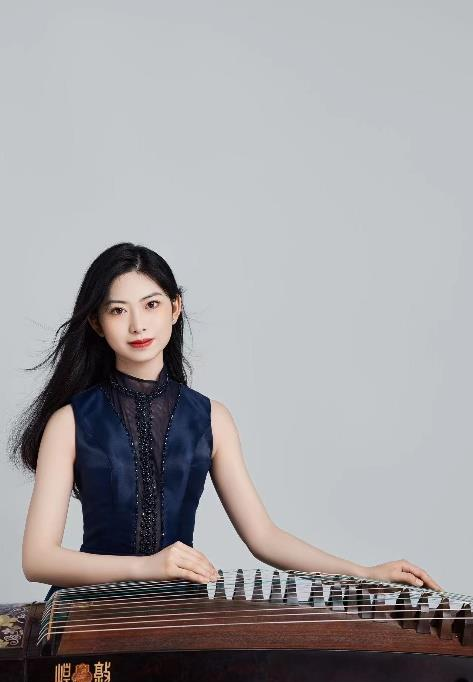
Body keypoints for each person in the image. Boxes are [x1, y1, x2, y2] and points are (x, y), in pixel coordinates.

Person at [10, 242, 442, 602]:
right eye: (118, 310)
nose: (138, 324)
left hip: (179, 613)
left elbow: (263, 537)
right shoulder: (70, 422)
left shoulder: (211, 418)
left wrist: (362, 572)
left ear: (175, 308)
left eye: (151, 304)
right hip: (88, 614)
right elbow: (38, 560)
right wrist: (148, 568)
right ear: (97, 323)